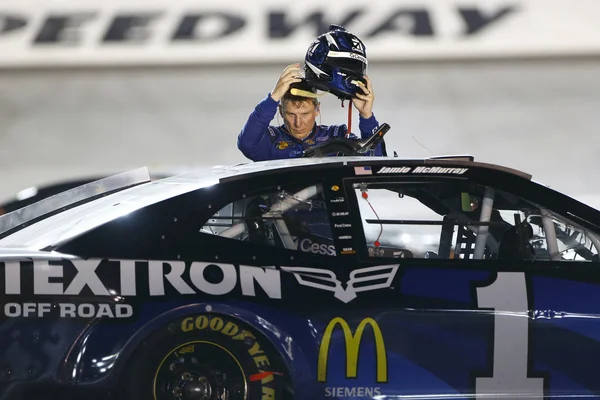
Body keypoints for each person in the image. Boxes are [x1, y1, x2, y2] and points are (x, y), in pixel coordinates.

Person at [237, 25, 386, 162]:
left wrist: (367, 116)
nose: (298, 123)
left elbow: (375, 162)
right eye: (291, 114)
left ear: (317, 110)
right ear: (281, 112)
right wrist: (273, 97)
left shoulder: (337, 135)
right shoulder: (270, 140)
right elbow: (246, 144)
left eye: (305, 114)